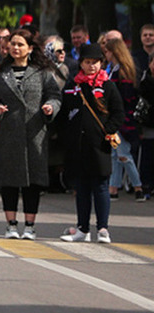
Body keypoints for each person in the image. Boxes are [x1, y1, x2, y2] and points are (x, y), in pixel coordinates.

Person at [0, 30, 61, 240]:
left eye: (20, 45)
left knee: (32, 181)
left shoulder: (42, 72)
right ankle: (11, 225)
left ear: (30, 48)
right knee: (9, 181)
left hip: (34, 133)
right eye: (13, 44)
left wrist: (50, 107)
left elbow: (54, 95)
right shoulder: (1, 72)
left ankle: (30, 226)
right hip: (8, 133)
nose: (16, 48)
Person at [60, 43, 124, 243]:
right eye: (88, 62)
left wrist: (109, 129)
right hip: (79, 146)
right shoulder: (73, 85)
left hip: (100, 146)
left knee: (101, 187)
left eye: (95, 63)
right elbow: (64, 114)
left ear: (101, 63)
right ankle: (83, 228)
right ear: (81, 64)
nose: (92, 66)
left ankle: (103, 228)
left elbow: (118, 112)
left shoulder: (107, 86)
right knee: (82, 188)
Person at [102, 37, 143, 201]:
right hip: (117, 116)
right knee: (115, 154)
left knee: (123, 154)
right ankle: (114, 187)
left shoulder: (121, 72)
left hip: (122, 117)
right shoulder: (116, 69)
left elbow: (124, 98)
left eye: (107, 52)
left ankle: (137, 186)